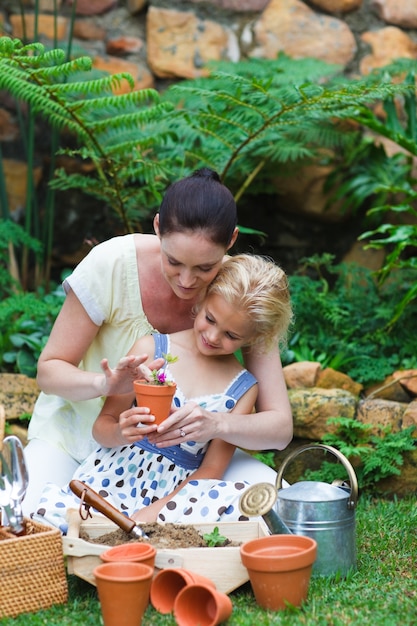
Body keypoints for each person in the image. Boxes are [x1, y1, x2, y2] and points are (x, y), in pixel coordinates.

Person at [22, 168, 293, 516]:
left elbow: (279, 427)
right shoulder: (112, 263)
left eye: (204, 268)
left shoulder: (238, 291)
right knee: (17, 516)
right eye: (173, 261)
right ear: (157, 227)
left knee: (279, 507)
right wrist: (104, 383)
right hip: (77, 438)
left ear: (230, 241)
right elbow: (48, 372)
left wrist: (217, 423)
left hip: (183, 464)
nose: (186, 280)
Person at [34, 254, 293, 532]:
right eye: (210, 319)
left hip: (182, 493)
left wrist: (156, 512)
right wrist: (122, 432)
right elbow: (102, 428)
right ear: (202, 301)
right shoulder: (150, 350)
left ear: (253, 339)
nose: (214, 337)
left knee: (244, 504)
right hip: (118, 476)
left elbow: (211, 471)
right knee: (69, 516)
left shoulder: (243, 389)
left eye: (232, 336)